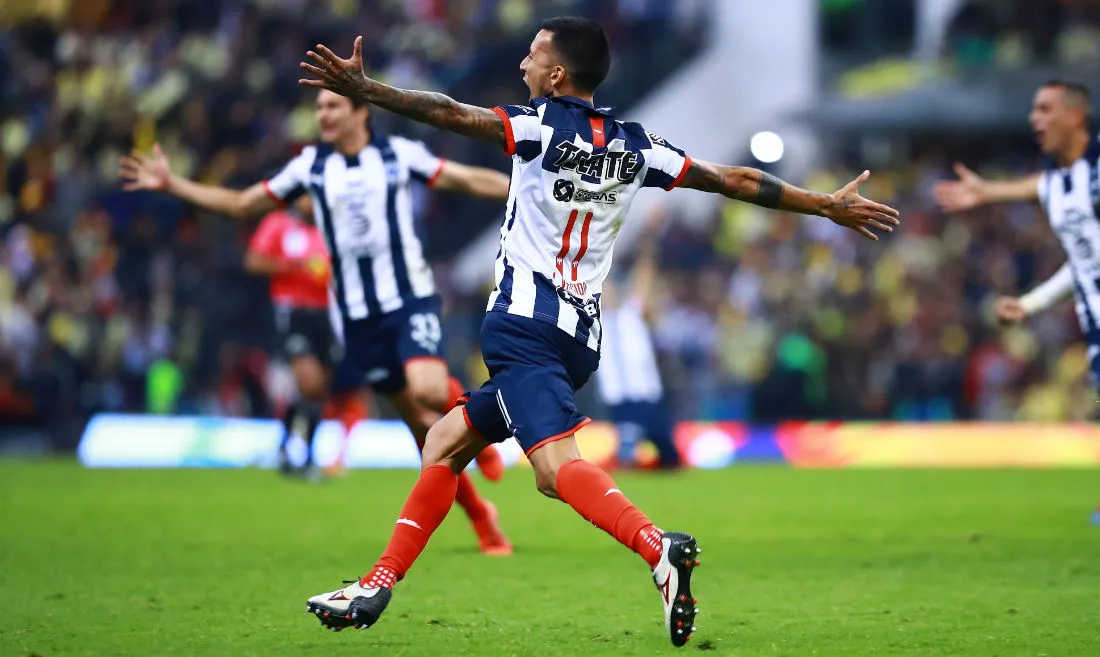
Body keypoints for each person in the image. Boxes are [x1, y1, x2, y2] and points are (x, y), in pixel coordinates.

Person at [298, 16, 899, 646]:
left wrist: (373, 91)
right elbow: (734, 180)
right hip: (580, 337)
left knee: (556, 471)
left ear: (557, 74)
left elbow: (450, 114)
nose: (524, 64)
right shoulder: (636, 145)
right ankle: (376, 583)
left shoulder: (533, 126)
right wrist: (821, 204)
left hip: (524, 326)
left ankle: (656, 547)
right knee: (447, 440)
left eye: (533, 55)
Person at [119, 88, 514, 554]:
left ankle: (482, 434)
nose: (322, 114)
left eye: (332, 106)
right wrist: (174, 185)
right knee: (426, 435)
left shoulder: (396, 154)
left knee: (429, 390)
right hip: (357, 316)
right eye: (319, 107)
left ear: (360, 111)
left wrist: (529, 193)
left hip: (408, 298)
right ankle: (481, 517)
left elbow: (466, 179)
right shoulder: (309, 167)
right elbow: (243, 205)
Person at [933, 78, 1100, 524]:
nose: (1034, 119)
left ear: (1076, 115)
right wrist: (1031, 303)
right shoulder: (1061, 185)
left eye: (1045, 109)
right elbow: (1086, 260)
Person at [244, 200, 336, 477]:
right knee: (308, 381)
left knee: (319, 389)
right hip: (292, 310)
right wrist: (298, 265)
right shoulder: (278, 223)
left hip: (327, 313)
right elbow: (254, 261)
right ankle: (300, 455)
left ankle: (294, 451)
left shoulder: (331, 226)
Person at [595, 203, 681, 469]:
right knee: (627, 459)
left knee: (671, 460)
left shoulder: (632, 314)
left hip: (646, 395)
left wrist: (650, 233)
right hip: (621, 397)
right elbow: (597, 274)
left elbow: (646, 269)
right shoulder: (597, 320)